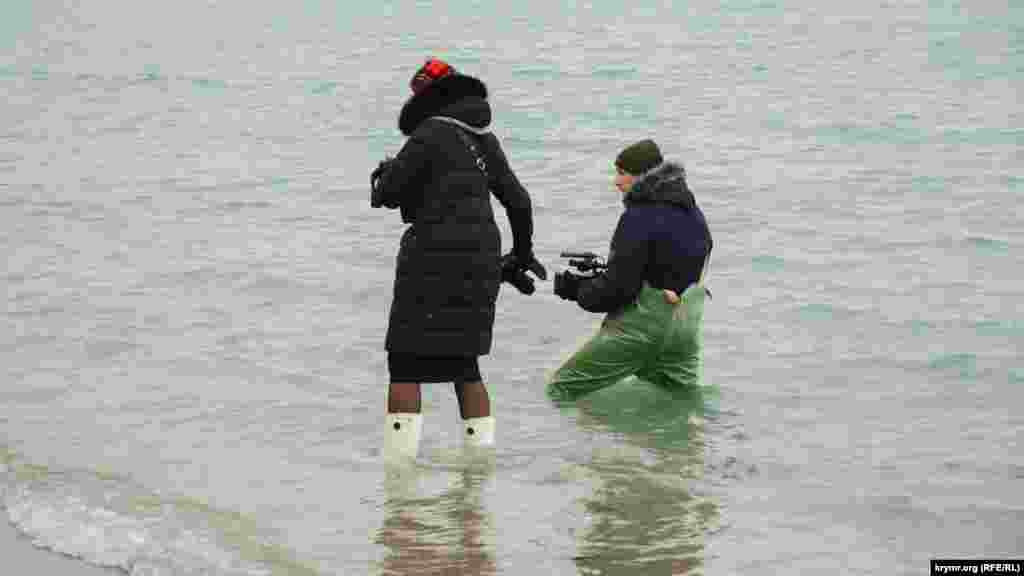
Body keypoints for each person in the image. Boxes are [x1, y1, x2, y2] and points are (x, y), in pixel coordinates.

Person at [370, 57, 546, 463]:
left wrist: (387, 174)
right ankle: (478, 470)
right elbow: (519, 201)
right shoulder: (485, 139)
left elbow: (392, 193)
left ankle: (399, 475)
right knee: (465, 366)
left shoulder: (430, 133)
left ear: (427, 98)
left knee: (405, 365)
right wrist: (521, 255)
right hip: (481, 256)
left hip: (431, 253)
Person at [549, 139, 712, 399]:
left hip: (643, 330)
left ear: (642, 177)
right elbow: (668, 267)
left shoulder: (638, 217)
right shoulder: (693, 212)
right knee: (680, 399)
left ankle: (590, 440)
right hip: (684, 329)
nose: (616, 181)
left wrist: (578, 290)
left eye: (622, 173)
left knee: (561, 390)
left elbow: (618, 288)